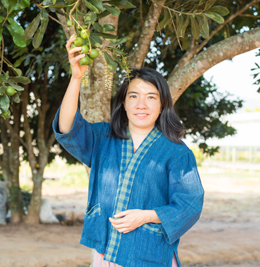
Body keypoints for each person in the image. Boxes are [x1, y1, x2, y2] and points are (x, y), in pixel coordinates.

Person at [52, 34, 205, 267]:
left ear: (162, 104)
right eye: (133, 96)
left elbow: (190, 203)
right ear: (123, 102)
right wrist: (76, 77)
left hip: (150, 254)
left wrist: (147, 216)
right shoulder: (103, 139)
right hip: (106, 254)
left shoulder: (176, 153)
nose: (141, 104)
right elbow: (67, 127)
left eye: (151, 97)